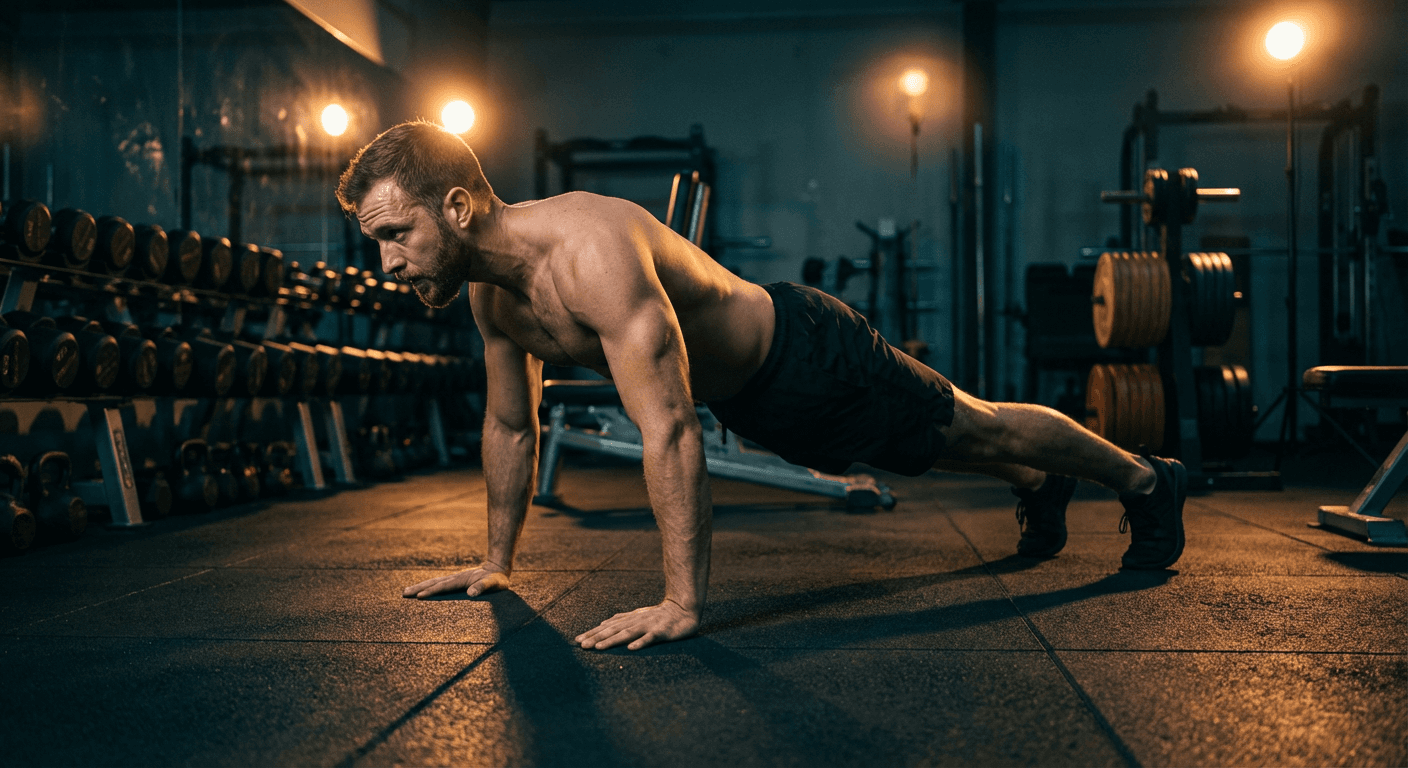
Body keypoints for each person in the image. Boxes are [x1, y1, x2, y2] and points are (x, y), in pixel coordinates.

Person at [336, 120, 1186, 652]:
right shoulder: (490, 298)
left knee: (976, 427)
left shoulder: (589, 251)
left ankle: (1149, 480)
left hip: (810, 355)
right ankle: (1041, 483)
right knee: (926, 452)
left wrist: (681, 602)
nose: (388, 262)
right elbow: (511, 427)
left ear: (455, 207)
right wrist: (495, 561)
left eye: (395, 234)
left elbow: (669, 427)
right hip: (757, 401)